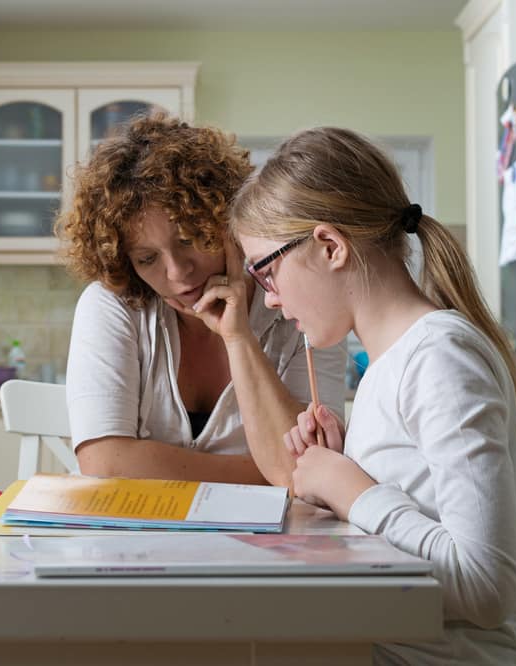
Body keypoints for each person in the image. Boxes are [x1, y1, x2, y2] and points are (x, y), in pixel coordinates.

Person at [226, 126, 516, 664]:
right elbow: (416, 522)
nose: (268, 299)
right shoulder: (397, 362)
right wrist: (344, 472)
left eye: (265, 272)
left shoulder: (439, 357)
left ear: (329, 246)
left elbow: (485, 588)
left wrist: (354, 491)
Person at [55, 113, 346, 484]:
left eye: (190, 239)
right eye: (147, 259)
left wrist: (239, 338)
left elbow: (313, 469)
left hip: (264, 540)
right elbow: (105, 464)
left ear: (225, 222)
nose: (177, 272)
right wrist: (265, 472)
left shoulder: (302, 309)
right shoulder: (112, 305)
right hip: (132, 538)